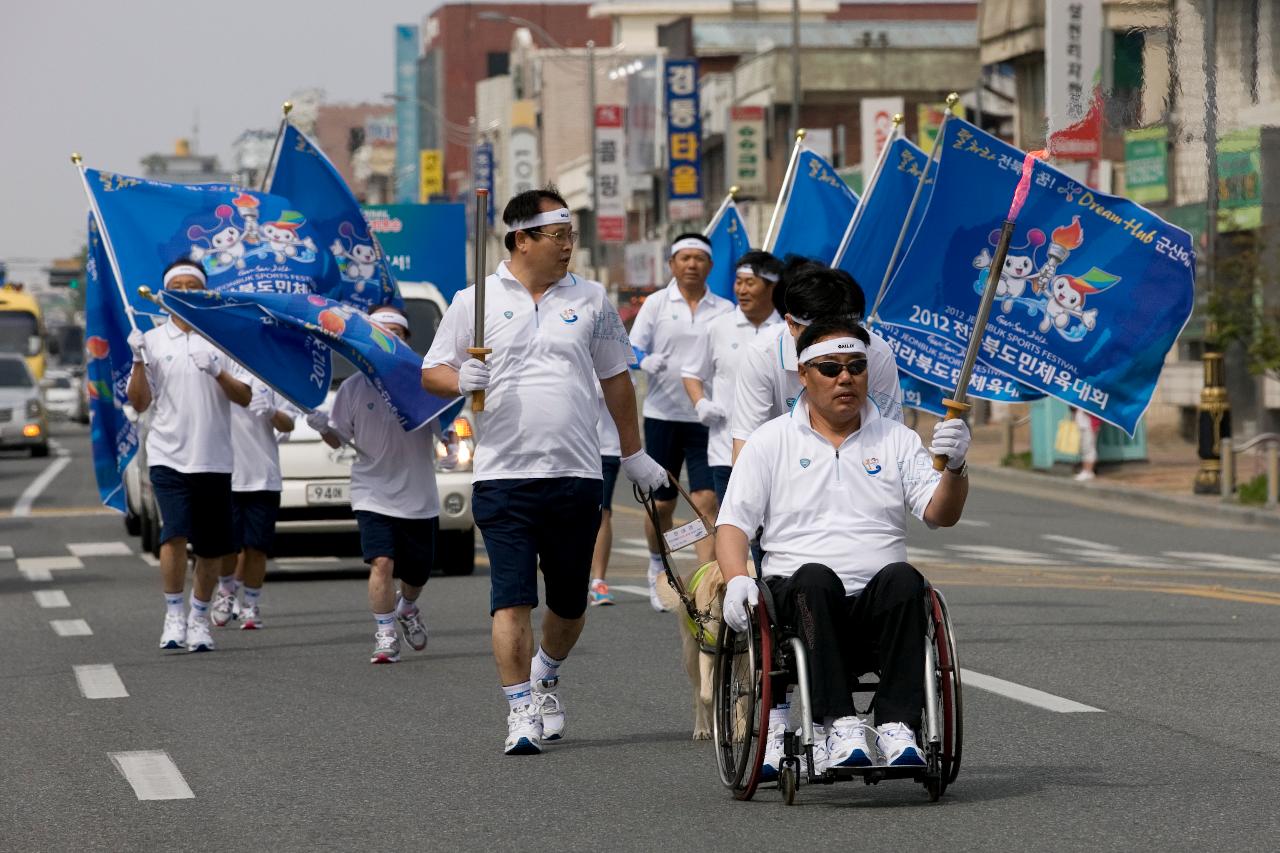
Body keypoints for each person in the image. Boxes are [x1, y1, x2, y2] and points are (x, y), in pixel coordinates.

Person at [421, 187, 667, 756]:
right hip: (503, 475)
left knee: (569, 601)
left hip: (577, 472)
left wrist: (633, 453)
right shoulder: (474, 301)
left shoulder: (593, 299)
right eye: (557, 236)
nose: (567, 246)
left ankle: (546, 673)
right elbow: (432, 370)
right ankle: (519, 710)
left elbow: (616, 380)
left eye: (570, 236)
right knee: (511, 599)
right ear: (522, 238)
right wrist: (459, 381)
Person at [716, 315, 971, 778]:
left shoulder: (898, 439)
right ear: (804, 376)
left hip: (877, 605)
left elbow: (939, 514)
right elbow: (733, 525)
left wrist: (955, 469)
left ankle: (897, 727)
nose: (845, 377)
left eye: (856, 366)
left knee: (905, 578)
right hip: (800, 602)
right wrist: (736, 580)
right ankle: (838, 724)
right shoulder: (769, 441)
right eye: (831, 368)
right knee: (815, 578)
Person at [126, 259, 252, 653]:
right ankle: (174, 614)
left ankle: (199, 618)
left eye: (191, 285)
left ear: (202, 291)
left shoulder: (222, 339)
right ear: (166, 294)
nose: (184, 290)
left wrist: (219, 373)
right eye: (176, 285)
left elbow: (245, 396)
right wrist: (136, 360)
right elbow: (140, 402)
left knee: (213, 549)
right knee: (174, 533)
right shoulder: (152, 340)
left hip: (213, 457)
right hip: (168, 455)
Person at [308, 306, 444, 664]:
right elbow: (340, 439)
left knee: (417, 572)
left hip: (418, 494)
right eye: (380, 336)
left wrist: (453, 446)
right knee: (381, 561)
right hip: (372, 492)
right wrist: (323, 427)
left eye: (395, 336)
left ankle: (408, 607)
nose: (387, 343)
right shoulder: (353, 388)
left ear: (405, 341)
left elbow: (445, 429)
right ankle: (385, 635)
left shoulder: (423, 384)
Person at [629, 232, 734, 610]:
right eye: (684, 258)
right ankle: (659, 563)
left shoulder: (723, 309)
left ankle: (704, 582)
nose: (691, 264)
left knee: (706, 500)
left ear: (709, 265)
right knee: (662, 505)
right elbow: (631, 346)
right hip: (663, 416)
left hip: (707, 417)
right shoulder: (657, 304)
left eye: (699, 258)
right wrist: (643, 359)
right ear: (672, 264)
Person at [730, 262, 904, 464]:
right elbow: (746, 446)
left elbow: (889, 436)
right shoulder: (762, 353)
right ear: (791, 324)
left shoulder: (876, 352)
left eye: (845, 329)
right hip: (781, 467)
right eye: (819, 334)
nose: (833, 344)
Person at [681, 250, 784, 505]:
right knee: (734, 528)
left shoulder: (787, 331)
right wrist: (700, 402)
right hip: (726, 450)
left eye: (751, 283)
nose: (742, 289)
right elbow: (692, 372)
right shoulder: (718, 326)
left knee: (769, 536)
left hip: (778, 451)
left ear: (772, 287)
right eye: (739, 282)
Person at [209, 369, 295, 630]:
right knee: (228, 547)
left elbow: (288, 423)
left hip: (263, 475)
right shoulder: (218, 371)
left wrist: (271, 412)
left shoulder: (270, 372)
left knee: (257, 547)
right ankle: (226, 592)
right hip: (226, 473)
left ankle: (251, 605)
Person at [1073, 406, 1101, 481]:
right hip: (1081, 426)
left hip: (1089, 426)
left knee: (1089, 449)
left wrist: (1087, 409)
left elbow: (1096, 412)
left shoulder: (1091, 401)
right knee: (1084, 448)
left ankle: (1088, 471)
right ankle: (1086, 471)